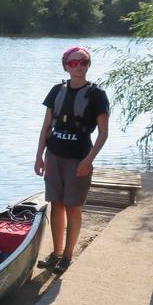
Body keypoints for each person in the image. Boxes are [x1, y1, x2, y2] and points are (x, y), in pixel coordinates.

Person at [34, 46, 109, 274]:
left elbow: (103, 133)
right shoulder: (57, 91)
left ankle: (67, 256)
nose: (79, 66)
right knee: (56, 203)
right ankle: (56, 253)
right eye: (74, 63)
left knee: (73, 206)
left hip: (78, 158)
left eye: (83, 62)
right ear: (66, 66)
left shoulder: (97, 95)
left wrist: (88, 161)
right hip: (54, 155)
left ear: (88, 64)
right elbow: (46, 126)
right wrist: (39, 156)